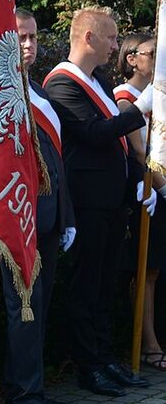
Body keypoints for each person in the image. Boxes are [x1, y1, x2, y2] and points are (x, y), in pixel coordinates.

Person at [44, 6, 155, 397]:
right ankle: (88, 364)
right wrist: (142, 107)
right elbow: (95, 134)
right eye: (110, 37)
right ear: (88, 37)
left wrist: (137, 182)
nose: (115, 45)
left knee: (106, 284)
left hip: (111, 200)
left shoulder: (99, 82)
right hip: (86, 200)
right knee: (86, 284)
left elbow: (119, 142)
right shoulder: (62, 84)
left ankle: (106, 358)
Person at [0, 8, 76, 404]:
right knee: (23, 309)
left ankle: (29, 385)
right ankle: (25, 392)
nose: (28, 46)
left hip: (48, 218)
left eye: (32, 37)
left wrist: (67, 217)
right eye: (19, 38)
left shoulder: (40, 94)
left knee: (39, 308)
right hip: (16, 220)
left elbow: (56, 163)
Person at [114, 32, 166, 371]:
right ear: (132, 58)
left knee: (158, 272)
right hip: (146, 193)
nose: (159, 60)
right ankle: (147, 343)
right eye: (153, 53)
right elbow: (139, 151)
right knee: (145, 272)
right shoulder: (124, 98)